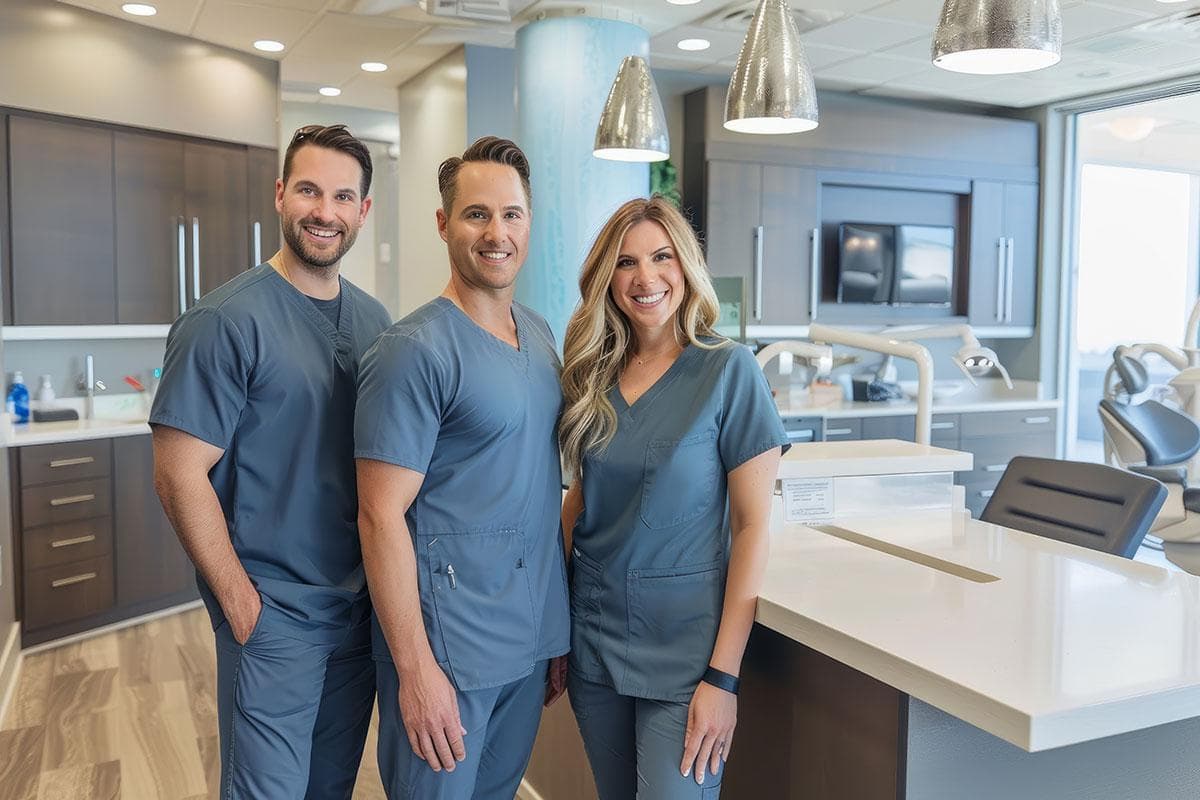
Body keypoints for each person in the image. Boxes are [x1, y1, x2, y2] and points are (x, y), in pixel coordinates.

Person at [150, 124, 392, 798]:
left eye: (342, 197)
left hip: (357, 612)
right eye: (309, 190)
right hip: (274, 616)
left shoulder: (376, 324)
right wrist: (240, 602)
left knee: (330, 786)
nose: (325, 211)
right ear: (281, 194)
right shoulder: (224, 321)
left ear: (363, 211)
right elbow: (176, 473)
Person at [354, 136, 570, 800]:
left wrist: (552, 634)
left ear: (529, 224)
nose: (496, 233)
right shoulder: (412, 351)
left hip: (527, 642)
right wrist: (415, 670)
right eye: (477, 214)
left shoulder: (540, 337)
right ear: (444, 224)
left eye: (511, 214)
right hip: (447, 653)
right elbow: (378, 515)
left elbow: (537, 490)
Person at [558, 196, 788, 799]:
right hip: (594, 643)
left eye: (662, 257)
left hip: (686, 655)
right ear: (607, 279)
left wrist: (723, 678)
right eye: (626, 262)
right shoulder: (594, 375)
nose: (646, 277)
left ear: (686, 265)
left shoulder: (729, 370)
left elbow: (752, 528)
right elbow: (578, 503)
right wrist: (552, 628)